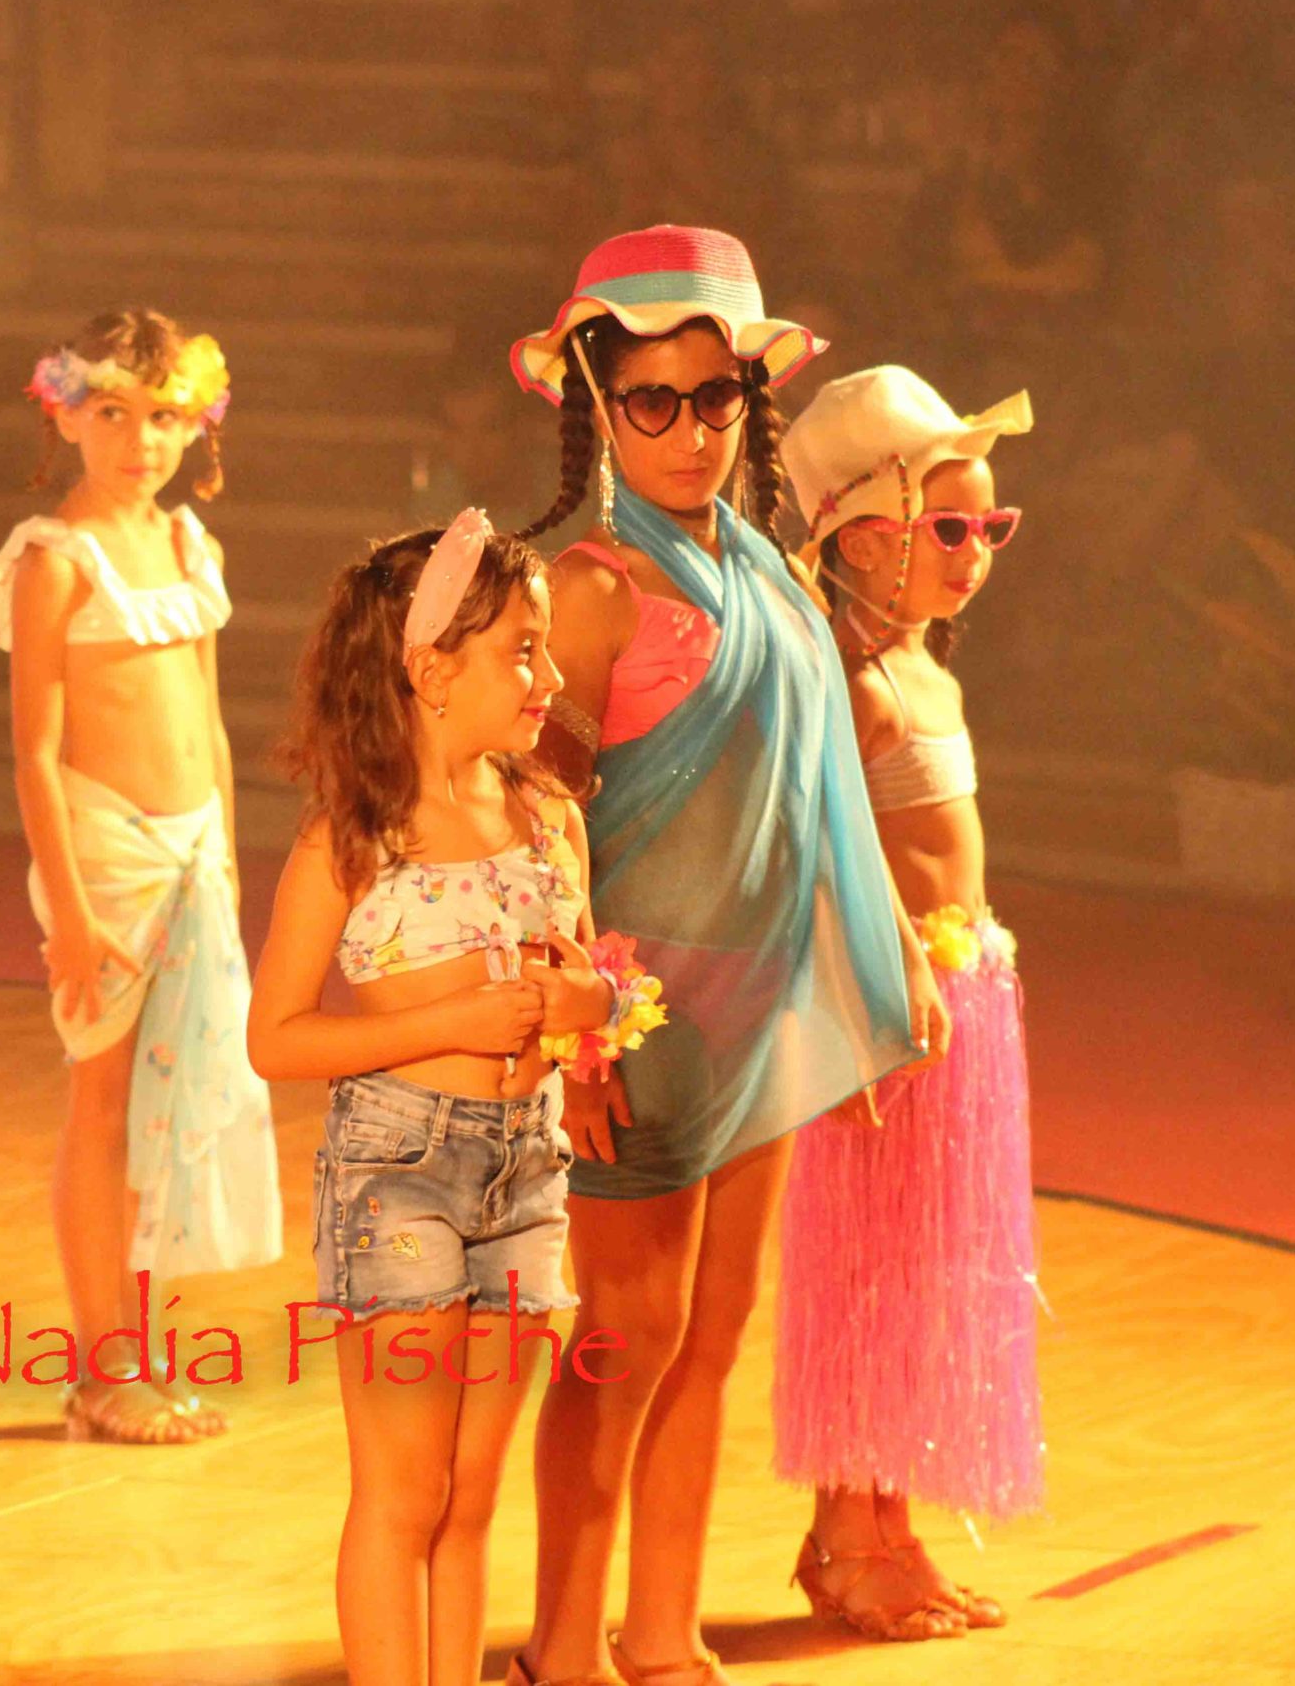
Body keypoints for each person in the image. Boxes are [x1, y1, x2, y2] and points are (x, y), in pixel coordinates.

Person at [509, 227, 948, 1686]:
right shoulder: (586, 587)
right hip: (636, 1012)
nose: (689, 430)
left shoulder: (769, 574)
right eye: (653, 399)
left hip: (759, 995)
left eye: (715, 398)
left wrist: (883, 954)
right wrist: (571, 1031)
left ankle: (662, 1632)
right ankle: (562, 1643)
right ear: (596, 402)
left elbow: (825, 791)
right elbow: (537, 812)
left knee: (709, 1328)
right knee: (624, 1335)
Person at [251, 509, 648, 1686]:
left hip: (525, 1173)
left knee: (470, 1498)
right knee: (403, 1493)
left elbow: (595, 985)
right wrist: (448, 1025)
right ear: (430, 671)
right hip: (400, 1174)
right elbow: (275, 1038)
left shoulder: (550, 820)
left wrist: (588, 1007)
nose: (552, 675)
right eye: (523, 649)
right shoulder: (352, 842)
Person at [0, 308, 280, 1443]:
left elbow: (207, 718)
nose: (140, 440)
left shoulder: (192, 545)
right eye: (111, 413)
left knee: (170, 1101)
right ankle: (103, 1366)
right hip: (106, 854)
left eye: (162, 417)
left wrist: (227, 861)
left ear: (196, 425)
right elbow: (34, 752)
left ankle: (145, 1351)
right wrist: (65, 910)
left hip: (194, 851)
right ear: (64, 416)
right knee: (103, 1100)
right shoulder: (55, 560)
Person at [772, 364, 1042, 1640]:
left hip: (958, 990)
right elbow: (825, 845)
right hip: (881, 998)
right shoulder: (841, 672)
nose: (974, 552)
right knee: (869, 1270)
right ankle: (843, 1534)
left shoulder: (921, 668)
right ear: (863, 536)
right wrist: (880, 983)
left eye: (991, 527)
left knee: (928, 1268)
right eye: (950, 528)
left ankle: (891, 1525)